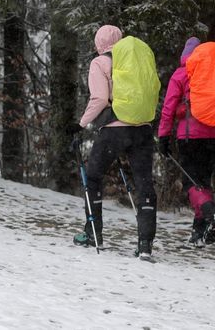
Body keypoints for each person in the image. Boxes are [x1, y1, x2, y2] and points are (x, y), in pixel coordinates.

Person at [67, 25, 157, 259]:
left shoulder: (100, 63)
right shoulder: (137, 60)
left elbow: (98, 99)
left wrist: (81, 123)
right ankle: (145, 244)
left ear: (99, 43)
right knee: (145, 184)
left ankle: (93, 233)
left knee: (93, 177)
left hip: (114, 130)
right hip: (143, 129)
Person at [157, 37, 215, 247]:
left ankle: (209, 212)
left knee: (191, 183)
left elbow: (169, 108)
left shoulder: (182, 73)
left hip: (191, 137)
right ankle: (200, 232)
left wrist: (163, 136)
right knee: (204, 182)